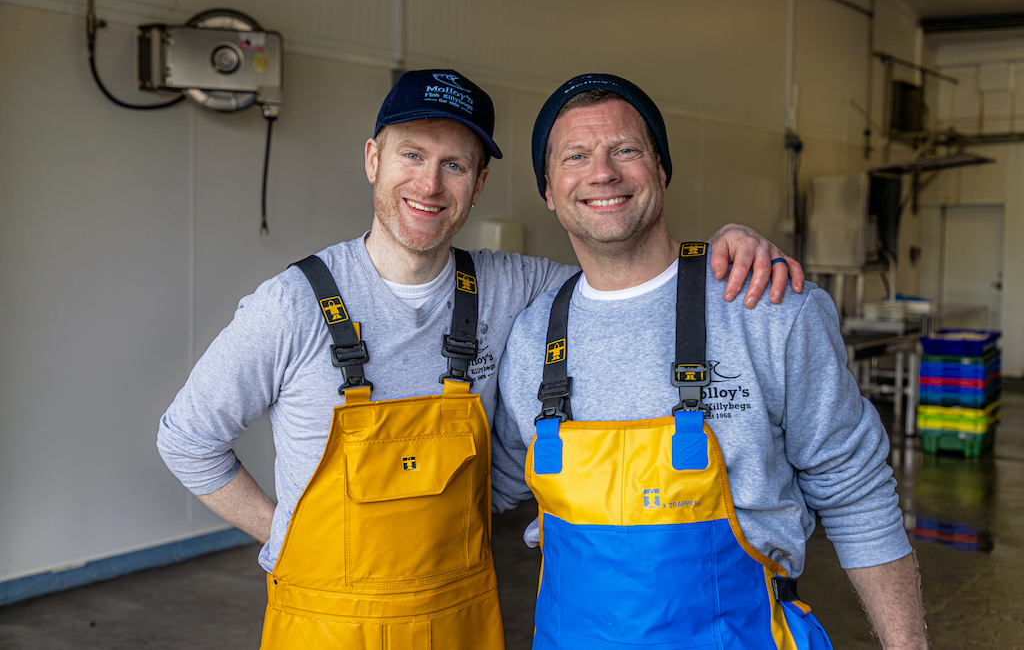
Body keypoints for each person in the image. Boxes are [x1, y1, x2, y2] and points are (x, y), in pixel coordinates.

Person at [157, 69, 803, 650]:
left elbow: (626, 272)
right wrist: (285, 533)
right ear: (372, 159)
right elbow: (187, 439)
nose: (429, 184)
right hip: (324, 623)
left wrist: (722, 247)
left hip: (460, 618)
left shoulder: (513, 289)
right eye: (411, 155)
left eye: (455, 165)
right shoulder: (290, 305)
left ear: (480, 182)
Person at [492, 73, 928, 650]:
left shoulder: (764, 307)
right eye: (576, 155)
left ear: (662, 170)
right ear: (549, 189)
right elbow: (480, 491)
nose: (603, 172)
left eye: (626, 150)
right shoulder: (530, 335)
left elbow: (857, 493)